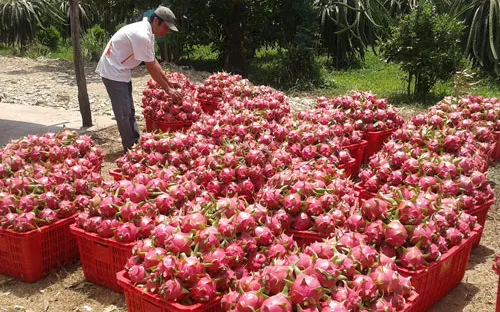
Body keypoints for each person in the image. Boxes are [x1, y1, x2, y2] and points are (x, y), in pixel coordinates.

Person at [96, 5, 182, 153]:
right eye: (166, 27)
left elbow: (153, 61)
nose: (166, 32)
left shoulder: (149, 33)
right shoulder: (142, 34)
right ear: (156, 21)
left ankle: (134, 143)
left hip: (121, 70)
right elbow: (150, 67)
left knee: (129, 110)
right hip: (113, 70)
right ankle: (130, 149)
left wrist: (168, 81)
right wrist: (167, 89)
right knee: (123, 113)